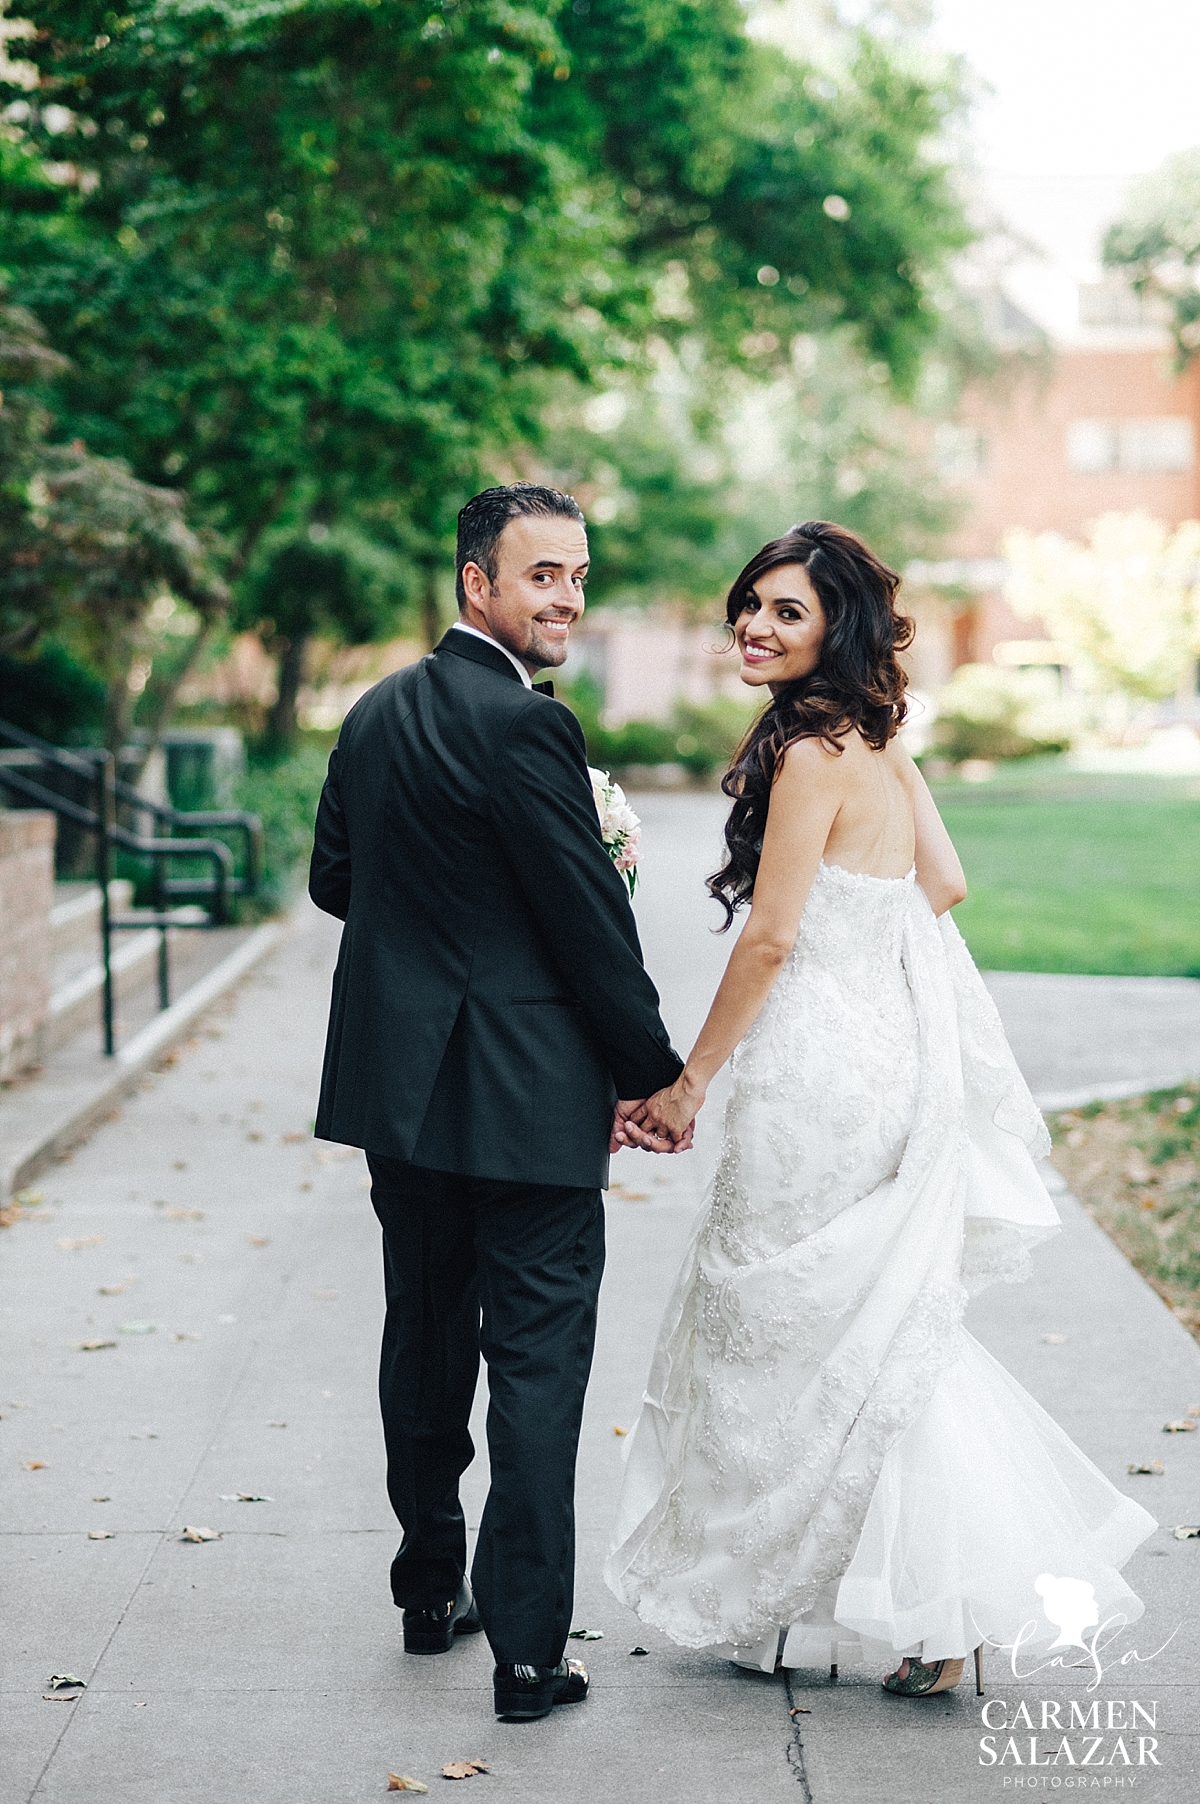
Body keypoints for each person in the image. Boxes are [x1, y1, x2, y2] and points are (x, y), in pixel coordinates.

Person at [605, 522, 1156, 1696]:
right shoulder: (874, 743)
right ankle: (936, 1608)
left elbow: (771, 936)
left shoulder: (810, 753)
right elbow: (943, 885)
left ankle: (883, 1597)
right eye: (750, 603)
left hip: (812, 1075)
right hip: (885, 1065)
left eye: (787, 611)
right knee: (876, 1332)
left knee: (812, 1337)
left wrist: (690, 1076)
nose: (756, 624)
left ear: (836, 627)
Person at [308, 483, 684, 1722]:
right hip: (526, 1105)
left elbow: (334, 882)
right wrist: (655, 1072)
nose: (567, 598)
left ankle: (430, 1589)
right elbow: (585, 926)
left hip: (402, 1099)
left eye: (578, 576)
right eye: (542, 577)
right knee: (534, 1367)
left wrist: (438, 939)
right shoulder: (532, 729)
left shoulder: (370, 716)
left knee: (424, 1337)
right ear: (478, 582)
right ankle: (526, 1651)